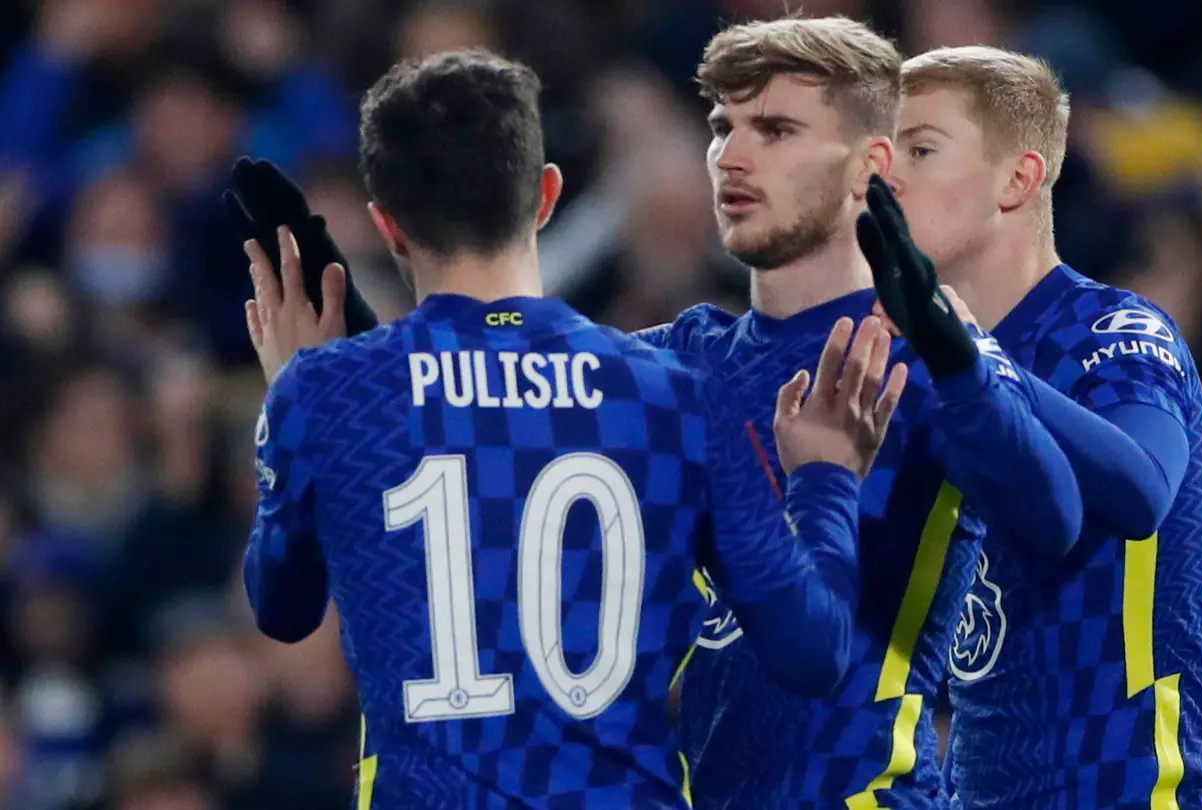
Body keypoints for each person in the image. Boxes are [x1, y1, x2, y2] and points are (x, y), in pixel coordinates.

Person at [228, 19, 1084, 809]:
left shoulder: (913, 357)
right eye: (721, 129)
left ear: (875, 165)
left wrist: (331, 382)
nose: (731, 157)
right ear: (548, 195)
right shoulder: (671, 369)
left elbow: (1056, 519)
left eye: (774, 131)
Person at [881, 45, 1202, 809]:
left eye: (922, 149)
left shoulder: (1112, 330)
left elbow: (1141, 489)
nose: (887, 176)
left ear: (1019, 178)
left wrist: (977, 359)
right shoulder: (918, 374)